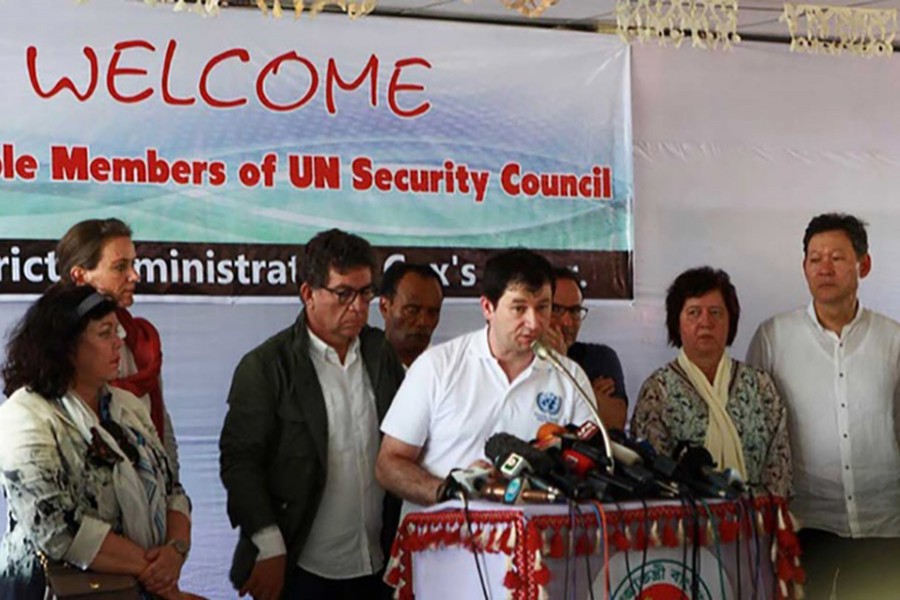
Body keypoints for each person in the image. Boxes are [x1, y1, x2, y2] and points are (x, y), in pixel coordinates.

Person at [219, 228, 405, 600]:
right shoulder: (266, 366)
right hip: (299, 566)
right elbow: (241, 464)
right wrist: (268, 544)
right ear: (308, 293)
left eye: (365, 292)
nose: (357, 306)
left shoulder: (379, 353)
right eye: (343, 294)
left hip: (378, 562)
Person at [0, 285, 192, 600]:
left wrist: (174, 551)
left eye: (117, 331)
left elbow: (174, 491)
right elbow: (56, 527)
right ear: (65, 345)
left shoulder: (127, 406)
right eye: (105, 333)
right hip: (51, 590)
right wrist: (152, 571)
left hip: (140, 589)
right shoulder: (24, 416)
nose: (120, 342)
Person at [747, 213, 900, 597]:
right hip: (805, 522)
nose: (824, 268)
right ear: (803, 268)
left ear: (863, 265)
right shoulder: (773, 338)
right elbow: (755, 430)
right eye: (815, 259)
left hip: (883, 521)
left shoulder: (893, 340)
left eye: (837, 257)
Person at [375, 249, 596, 510]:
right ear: (488, 308)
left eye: (543, 308)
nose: (534, 323)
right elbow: (388, 464)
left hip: (534, 543)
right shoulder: (438, 366)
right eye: (519, 308)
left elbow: (590, 464)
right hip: (443, 543)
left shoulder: (569, 376)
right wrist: (449, 492)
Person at [631, 267, 791, 497]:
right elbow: (654, 473)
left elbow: (780, 465)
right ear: (677, 322)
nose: (705, 322)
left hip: (758, 522)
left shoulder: (759, 385)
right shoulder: (657, 390)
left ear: (731, 320)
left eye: (716, 312)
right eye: (694, 312)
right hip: (687, 522)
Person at [56, 218, 180, 482]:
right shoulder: (48, 349)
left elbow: (163, 432)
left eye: (133, 264)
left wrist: (174, 499)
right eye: (120, 267)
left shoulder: (141, 340)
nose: (134, 275)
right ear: (80, 276)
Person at [544, 266, 628, 429]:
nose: (568, 322)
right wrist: (588, 391)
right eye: (557, 309)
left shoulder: (600, 357)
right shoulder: (520, 359)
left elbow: (616, 421)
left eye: (575, 311)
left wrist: (563, 365)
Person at [378, 262, 443, 369]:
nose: (423, 321)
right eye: (412, 310)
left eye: (432, 312)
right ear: (385, 307)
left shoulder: (448, 373)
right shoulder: (362, 368)